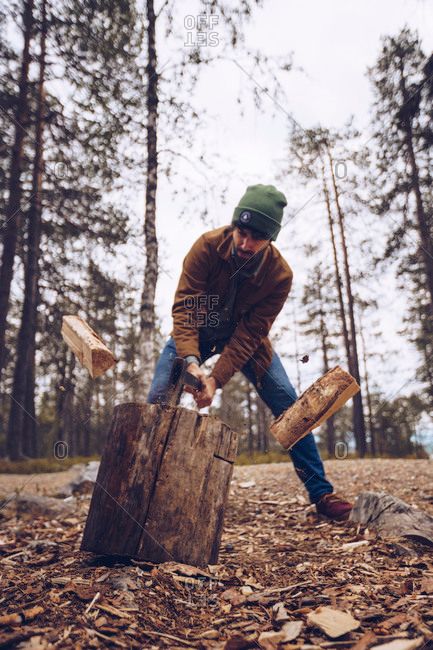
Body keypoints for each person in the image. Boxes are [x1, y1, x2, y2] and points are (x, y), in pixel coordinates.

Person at [147, 184, 352, 521]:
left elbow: (249, 335)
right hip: (196, 331)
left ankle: (322, 493)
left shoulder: (280, 275)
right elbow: (187, 311)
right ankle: (146, 487)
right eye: (241, 233)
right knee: (158, 397)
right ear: (233, 227)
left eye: (256, 237)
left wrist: (215, 380)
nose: (245, 244)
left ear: (271, 239)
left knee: (288, 401)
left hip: (245, 340)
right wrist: (193, 363)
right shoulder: (206, 247)